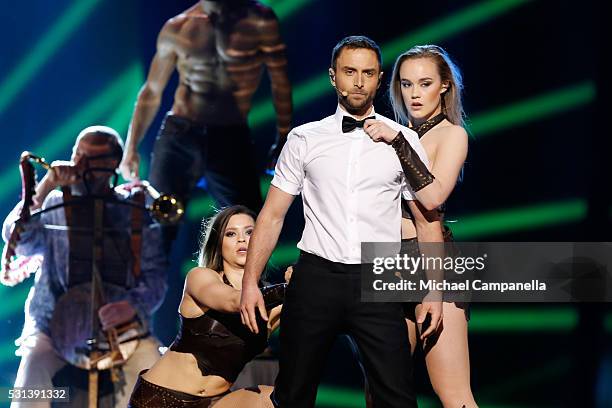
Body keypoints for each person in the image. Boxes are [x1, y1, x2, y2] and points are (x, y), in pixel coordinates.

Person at [240, 35, 444, 408]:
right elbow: (271, 215)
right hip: (316, 277)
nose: (359, 81)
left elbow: (427, 219)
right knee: (293, 394)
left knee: (397, 397)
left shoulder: (404, 140)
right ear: (333, 76)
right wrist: (250, 282)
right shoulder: (304, 138)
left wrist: (434, 290)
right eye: (350, 72)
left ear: (379, 79)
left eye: (368, 73)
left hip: (378, 279)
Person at [1, 126, 168, 407]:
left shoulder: (135, 210)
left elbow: (156, 277)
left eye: (93, 160)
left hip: (124, 328)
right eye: (78, 157)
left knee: (151, 375)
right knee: (30, 384)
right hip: (53, 325)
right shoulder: (55, 202)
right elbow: (17, 237)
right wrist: (44, 187)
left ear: (114, 163)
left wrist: (132, 305)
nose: (81, 167)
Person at [119, 0, 293, 250]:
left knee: (247, 225)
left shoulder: (259, 21)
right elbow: (151, 91)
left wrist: (284, 138)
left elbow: (280, 81)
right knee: (159, 223)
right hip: (180, 133)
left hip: (230, 137)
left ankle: (240, 288)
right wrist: (131, 148)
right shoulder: (178, 27)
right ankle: (148, 287)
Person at [363, 44, 476, 408]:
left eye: (424, 83)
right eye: (406, 84)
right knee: (381, 393)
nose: (414, 94)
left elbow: (433, 197)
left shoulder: (450, 134)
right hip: (385, 263)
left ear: (443, 85)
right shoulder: (390, 134)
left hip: (431, 262)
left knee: (454, 394)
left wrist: (397, 141)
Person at [128, 205, 285, 408]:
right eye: (230, 234)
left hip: (211, 403)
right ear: (218, 244)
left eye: (250, 232)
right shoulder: (200, 277)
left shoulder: (272, 306)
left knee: (276, 399)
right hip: (160, 399)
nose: (241, 239)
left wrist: (304, 280)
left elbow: (315, 306)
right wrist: (288, 287)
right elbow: (235, 301)